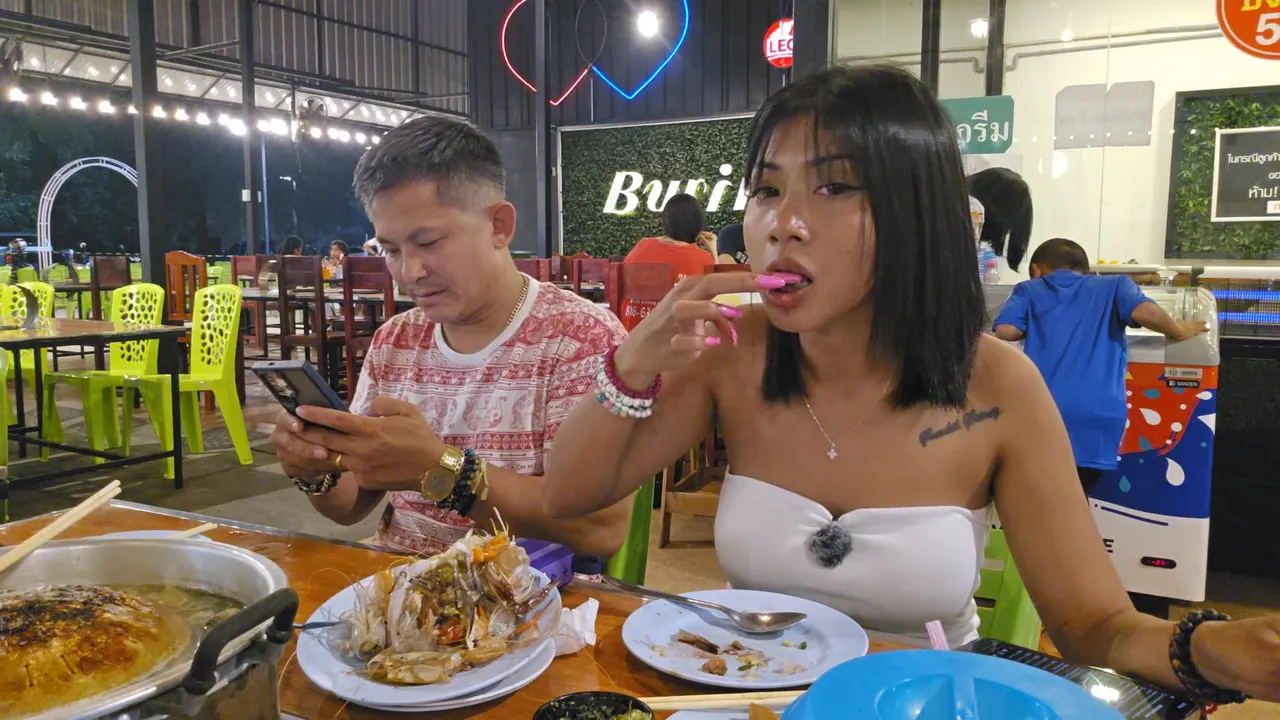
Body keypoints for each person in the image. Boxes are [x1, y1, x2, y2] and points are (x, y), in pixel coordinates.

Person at [541, 65, 1280, 703]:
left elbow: (1096, 626)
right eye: (767, 189)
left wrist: (1210, 650)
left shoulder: (997, 386)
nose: (783, 224)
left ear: (916, 217)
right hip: (748, 697)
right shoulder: (731, 353)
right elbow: (569, 496)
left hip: (927, 704)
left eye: (834, 186)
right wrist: (631, 362)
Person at [269, 115, 631, 558]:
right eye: (391, 250)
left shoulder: (580, 339)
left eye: (429, 242)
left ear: (499, 225)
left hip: (531, 592)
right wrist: (314, 468)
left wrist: (440, 470)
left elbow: (598, 530)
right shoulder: (396, 340)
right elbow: (349, 505)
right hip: (397, 583)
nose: (410, 272)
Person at [991, 238, 1207, 492]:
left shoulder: (1029, 289)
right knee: (1078, 495)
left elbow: (1006, 330)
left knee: (1046, 498)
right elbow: (1147, 313)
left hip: (1045, 412)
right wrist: (1181, 329)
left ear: (1036, 269)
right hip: (1100, 416)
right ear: (1086, 269)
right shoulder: (1116, 285)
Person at [620, 193, 715, 329]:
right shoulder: (702, 259)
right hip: (675, 338)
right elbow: (716, 298)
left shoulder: (642, 246)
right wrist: (713, 252)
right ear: (698, 224)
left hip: (631, 336)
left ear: (666, 221)